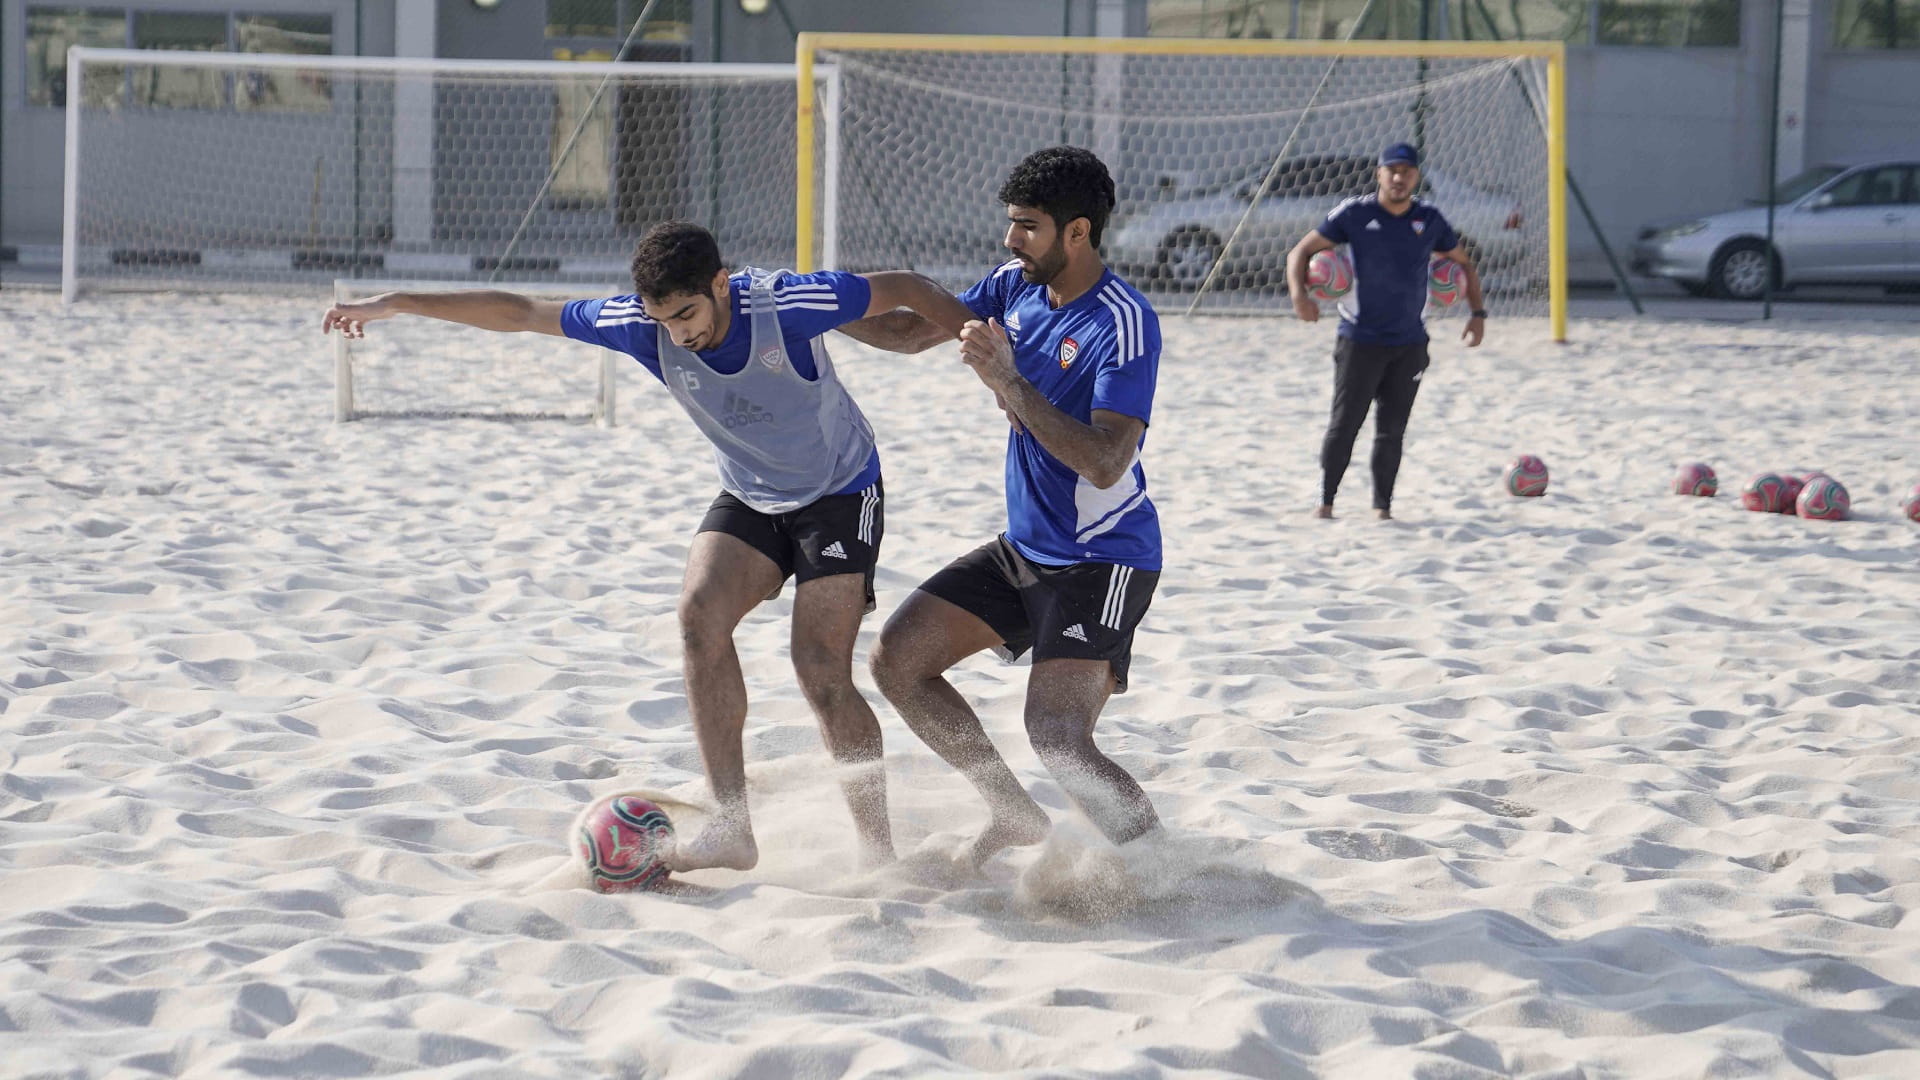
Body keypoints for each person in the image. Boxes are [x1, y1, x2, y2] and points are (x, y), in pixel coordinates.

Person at [321, 222, 976, 873]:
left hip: (840, 492)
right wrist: (398, 304)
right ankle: (731, 826)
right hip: (751, 492)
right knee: (698, 617)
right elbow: (522, 312)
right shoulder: (637, 324)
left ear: (721, 285)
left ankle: (878, 854)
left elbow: (905, 287)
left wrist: (982, 335)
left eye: (687, 313)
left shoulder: (786, 303)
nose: (678, 332)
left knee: (818, 668)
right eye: (663, 319)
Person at [840, 147, 1165, 867]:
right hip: (1026, 549)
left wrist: (1008, 382)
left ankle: (1166, 872)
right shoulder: (1013, 287)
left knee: (1056, 735)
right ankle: (1013, 814)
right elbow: (907, 331)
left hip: (1103, 560)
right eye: (1011, 223)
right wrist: (811, 312)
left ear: (1076, 233)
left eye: (1027, 226)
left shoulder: (1125, 321)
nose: (1010, 240)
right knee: (898, 663)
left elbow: (1107, 462)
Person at [1285, 141, 1487, 521]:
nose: (1398, 177)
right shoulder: (1354, 214)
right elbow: (1300, 253)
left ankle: (1382, 508)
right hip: (1360, 340)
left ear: (1416, 177)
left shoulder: (1429, 219)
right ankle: (1325, 503)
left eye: (1406, 171)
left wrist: (1477, 313)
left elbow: (1464, 264)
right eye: (1391, 170)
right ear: (1379, 173)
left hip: (1409, 343)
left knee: (1392, 430)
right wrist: (1300, 296)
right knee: (1345, 424)